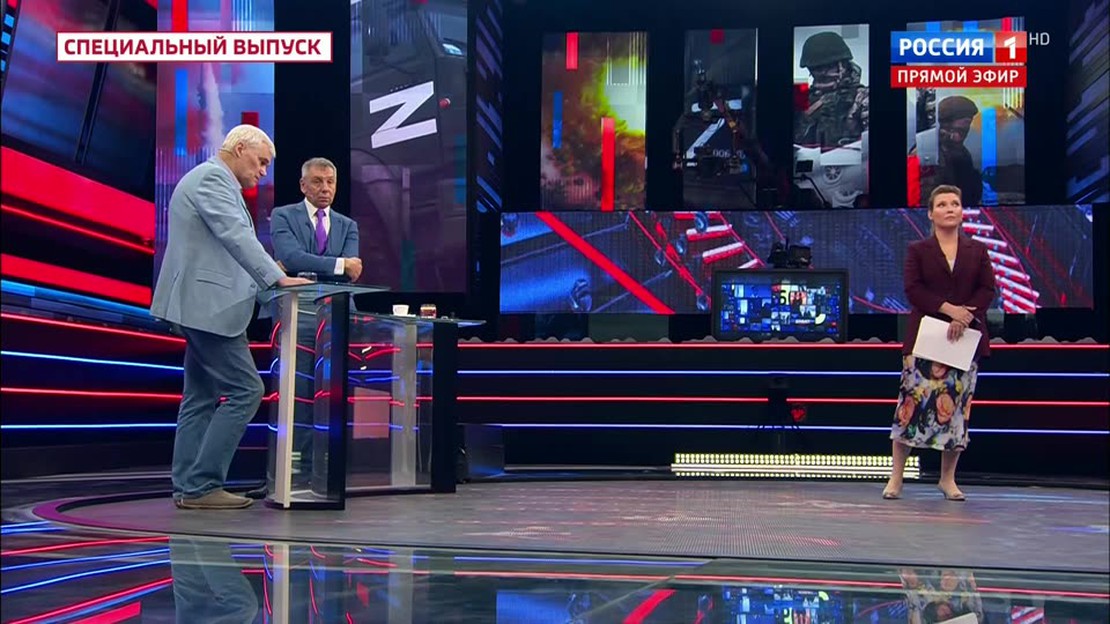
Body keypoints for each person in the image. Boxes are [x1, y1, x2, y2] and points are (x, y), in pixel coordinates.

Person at [151, 125, 312, 510]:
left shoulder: (213, 181)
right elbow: (235, 235)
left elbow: (228, 243)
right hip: (208, 306)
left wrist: (270, 271)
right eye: (261, 162)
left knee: (201, 397)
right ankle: (202, 485)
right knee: (247, 390)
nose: (263, 172)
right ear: (239, 148)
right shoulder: (212, 179)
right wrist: (276, 277)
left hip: (204, 306)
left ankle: (189, 486)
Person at [245, 158, 362, 498]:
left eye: (330, 182)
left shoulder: (348, 225)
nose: (325, 188)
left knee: (329, 394)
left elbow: (351, 273)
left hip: (334, 315)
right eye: (318, 182)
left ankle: (322, 473)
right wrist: (338, 264)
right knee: (295, 394)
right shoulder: (284, 215)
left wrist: (320, 267)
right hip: (294, 313)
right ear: (303, 185)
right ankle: (287, 475)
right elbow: (292, 256)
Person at [883, 184, 996, 502]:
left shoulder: (978, 251)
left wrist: (964, 316)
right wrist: (950, 310)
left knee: (957, 411)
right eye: (943, 204)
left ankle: (948, 479)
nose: (950, 209)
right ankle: (896, 477)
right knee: (910, 408)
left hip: (964, 341)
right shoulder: (918, 250)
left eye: (955, 203)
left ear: (962, 211)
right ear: (931, 213)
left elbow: (987, 289)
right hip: (925, 340)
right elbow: (913, 289)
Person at [794, 31, 869, 149]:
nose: (822, 73)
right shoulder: (802, 97)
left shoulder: (862, 97)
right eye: (816, 69)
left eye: (829, 67)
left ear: (843, 65)